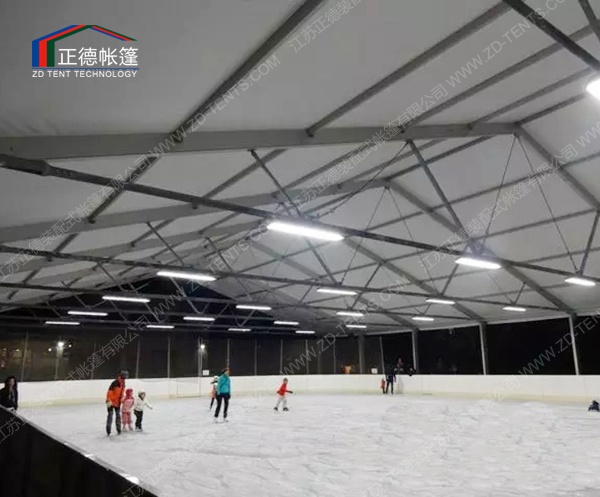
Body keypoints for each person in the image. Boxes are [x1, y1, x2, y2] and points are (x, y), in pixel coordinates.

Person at [105, 370, 127, 436]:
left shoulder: (123, 383)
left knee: (118, 416)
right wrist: (109, 400)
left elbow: (121, 393)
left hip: (117, 402)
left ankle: (119, 430)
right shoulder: (115, 383)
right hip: (110, 402)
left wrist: (122, 399)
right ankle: (108, 430)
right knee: (110, 416)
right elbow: (109, 392)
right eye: (125, 376)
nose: (125, 377)